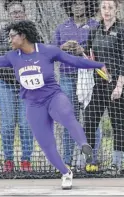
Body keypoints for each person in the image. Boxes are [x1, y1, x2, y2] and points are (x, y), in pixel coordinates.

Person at [0, 20, 107, 189]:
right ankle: (65, 173)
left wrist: (99, 64)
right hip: (34, 105)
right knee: (46, 144)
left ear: (23, 36)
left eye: (12, 36)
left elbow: (74, 61)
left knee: (67, 116)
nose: (9, 40)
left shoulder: (47, 51)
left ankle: (84, 145)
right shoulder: (12, 56)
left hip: (53, 96)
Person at [83, 0, 124, 175]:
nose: (107, 11)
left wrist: (119, 87)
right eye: (104, 7)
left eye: (110, 7)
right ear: (100, 9)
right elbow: (87, 51)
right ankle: (90, 161)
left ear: (116, 9)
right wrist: (89, 60)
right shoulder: (95, 29)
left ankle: (116, 165)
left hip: (116, 85)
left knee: (117, 124)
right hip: (97, 85)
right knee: (89, 121)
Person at [52, 0, 101, 170]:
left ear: (87, 6)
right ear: (69, 7)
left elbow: (100, 51)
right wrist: (62, 48)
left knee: (91, 119)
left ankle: (91, 160)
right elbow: (52, 53)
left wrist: (83, 51)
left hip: (88, 76)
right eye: (74, 4)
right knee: (68, 118)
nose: (78, 7)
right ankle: (67, 161)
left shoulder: (96, 25)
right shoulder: (61, 27)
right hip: (67, 76)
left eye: (81, 3)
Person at [0, 0, 34, 172]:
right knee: (7, 124)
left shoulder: (33, 35)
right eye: (13, 12)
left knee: (26, 123)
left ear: (25, 13)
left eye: (20, 12)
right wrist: (2, 72)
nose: (17, 14)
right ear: (8, 14)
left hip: (27, 87)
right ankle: (8, 161)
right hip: (4, 85)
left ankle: (26, 161)